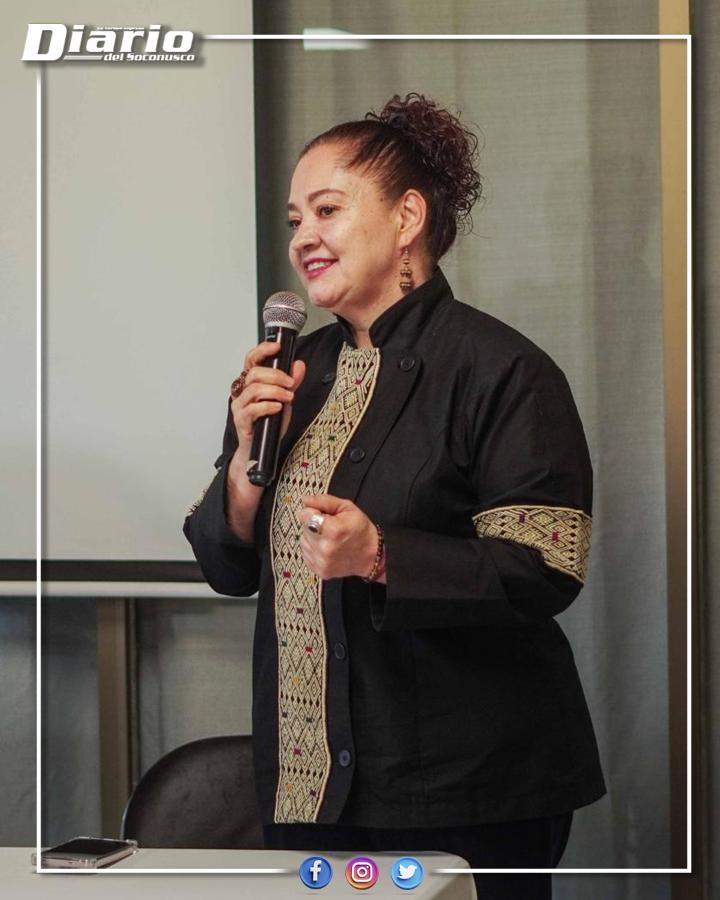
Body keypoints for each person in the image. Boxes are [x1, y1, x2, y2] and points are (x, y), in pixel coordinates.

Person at [184, 93, 605, 900]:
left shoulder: (502, 370)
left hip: (464, 791)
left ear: (408, 216)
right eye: (294, 219)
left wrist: (380, 555)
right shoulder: (292, 373)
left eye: (328, 210)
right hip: (308, 790)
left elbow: (546, 565)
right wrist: (243, 463)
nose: (303, 237)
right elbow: (226, 567)